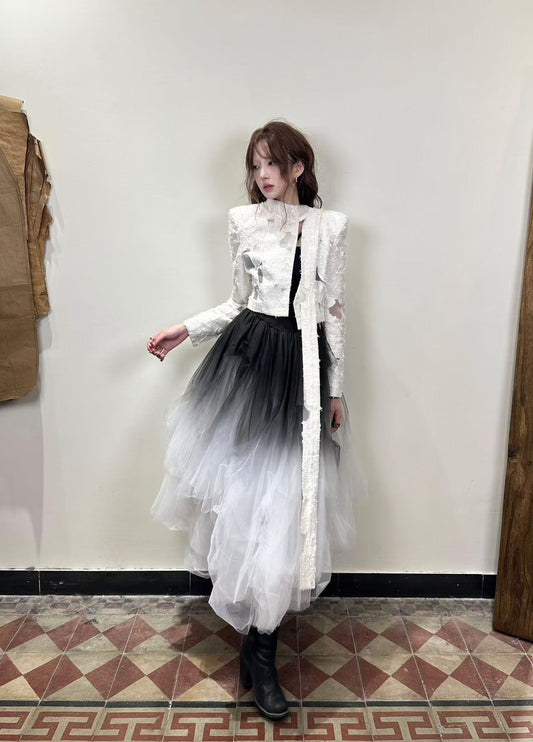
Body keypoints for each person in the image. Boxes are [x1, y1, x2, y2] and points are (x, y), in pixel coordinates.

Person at [147, 120, 368, 720]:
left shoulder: (331, 227)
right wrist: (185, 329)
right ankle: (261, 651)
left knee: (289, 504)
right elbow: (238, 301)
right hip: (250, 370)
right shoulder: (241, 222)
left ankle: (260, 648)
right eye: (255, 164)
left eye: (272, 163)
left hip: (303, 372)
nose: (262, 174)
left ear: (298, 167)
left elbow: (333, 311)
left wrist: (337, 390)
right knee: (250, 502)